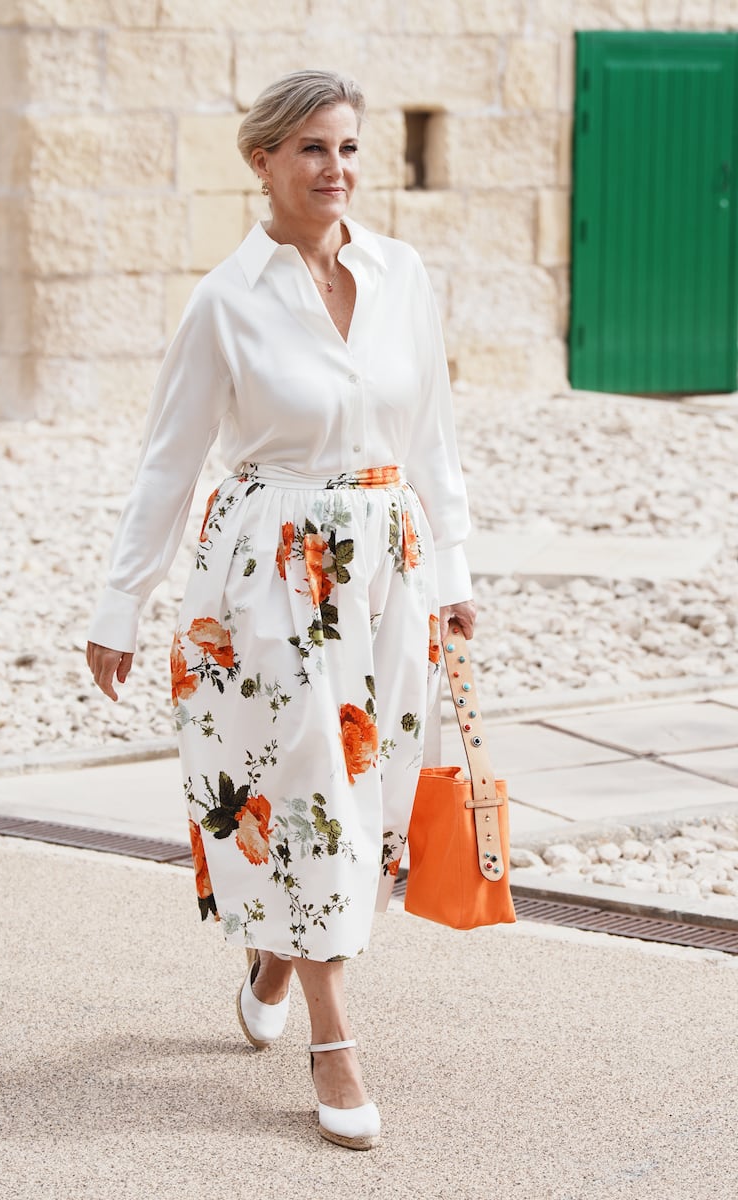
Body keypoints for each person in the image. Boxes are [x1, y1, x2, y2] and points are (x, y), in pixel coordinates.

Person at [87, 69, 476, 1151]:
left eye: (348, 148)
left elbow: (433, 437)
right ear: (261, 161)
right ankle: (333, 1036)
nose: (334, 170)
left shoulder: (401, 275)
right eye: (311, 149)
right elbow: (168, 464)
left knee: (371, 798)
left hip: (388, 570)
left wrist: (454, 576)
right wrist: (119, 603)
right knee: (306, 784)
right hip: (267, 579)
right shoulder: (225, 301)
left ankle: (275, 949)